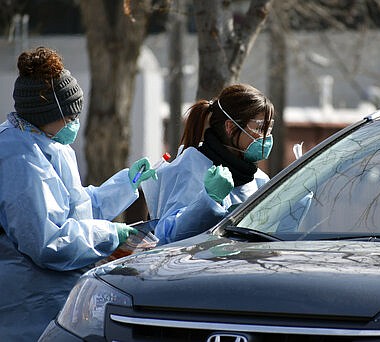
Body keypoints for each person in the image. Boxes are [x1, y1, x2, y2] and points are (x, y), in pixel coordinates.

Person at [0, 46, 156, 340]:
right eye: (70, 115)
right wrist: (111, 234)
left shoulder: (50, 144)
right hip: (24, 305)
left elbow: (80, 209)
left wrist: (127, 183)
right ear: (48, 114)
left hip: (52, 296)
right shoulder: (19, 159)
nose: (75, 122)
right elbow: (47, 244)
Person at [143, 83, 275, 244]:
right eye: (260, 128)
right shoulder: (191, 167)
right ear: (230, 127)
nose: (266, 138)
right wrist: (209, 201)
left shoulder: (257, 178)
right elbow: (166, 236)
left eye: (269, 128)